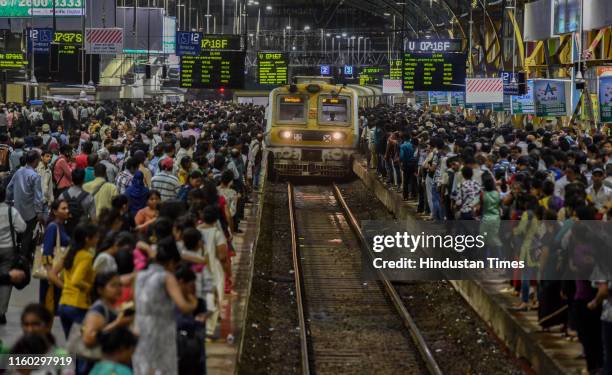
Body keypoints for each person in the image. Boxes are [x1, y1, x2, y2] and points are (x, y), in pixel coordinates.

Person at [133, 237, 197, 375]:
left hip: (140, 327)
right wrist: (193, 301)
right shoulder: (166, 277)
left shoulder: (140, 275)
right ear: (171, 262)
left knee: (143, 366)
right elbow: (184, 307)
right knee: (162, 368)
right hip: (161, 329)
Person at [50, 223, 99, 338]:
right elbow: (76, 280)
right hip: (78, 305)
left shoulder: (70, 252)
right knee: (81, 345)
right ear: (87, 239)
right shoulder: (86, 256)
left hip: (63, 304)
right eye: (96, 237)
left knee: (72, 345)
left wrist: (65, 287)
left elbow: (52, 274)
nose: (98, 239)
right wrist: (90, 287)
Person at [80, 272, 134, 374]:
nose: (118, 289)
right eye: (113, 285)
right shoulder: (98, 310)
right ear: (100, 290)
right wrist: (117, 324)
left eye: (120, 285)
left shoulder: (113, 307)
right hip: (104, 366)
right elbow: (88, 339)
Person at [6, 150, 45, 260]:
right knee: (27, 235)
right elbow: (38, 197)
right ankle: (23, 258)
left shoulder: (18, 171)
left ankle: (18, 254)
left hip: (17, 209)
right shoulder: (35, 176)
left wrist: (9, 202)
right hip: (30, 212)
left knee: (18, 233)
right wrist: (39, 212)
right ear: (36, 160)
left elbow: (9, 188)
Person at [198, 206, 228, 337]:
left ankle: (199, 325)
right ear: (215, 219)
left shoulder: (196, 230)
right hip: (214, 268)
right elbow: (222, 256)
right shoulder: (217, 233)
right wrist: (228, 271)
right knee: (215, 297)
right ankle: (209, 329)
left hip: (198, 266)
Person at [39, 199, 70, 317]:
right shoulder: (53, 227)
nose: (67, 211)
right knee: (48, 310)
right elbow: (46, 252)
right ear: (55, 211)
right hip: (51, 277)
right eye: (63, 208)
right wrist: (50, 274)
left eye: (67, 208)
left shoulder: (60, 226)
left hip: (56, 274)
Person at [0, 187, 26, 324]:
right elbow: (22, 227)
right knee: (6, 282)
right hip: (8, 249)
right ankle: (1, 312)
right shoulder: (12, 211)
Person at [59, 168, 96, 233]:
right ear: (83, 180)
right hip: (82, 232)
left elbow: (58, 217)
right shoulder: (88, 197)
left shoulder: (62, 196)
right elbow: (93, 218)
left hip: (66, 231)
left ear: (72, 179)